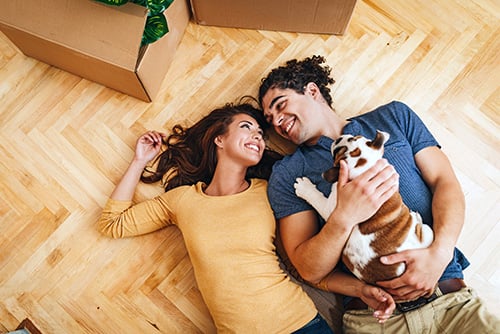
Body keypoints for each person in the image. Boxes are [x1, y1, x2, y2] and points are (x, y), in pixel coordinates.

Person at [257, 55, 500, 333]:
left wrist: (440, 254)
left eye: (280, 105)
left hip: (452, 303)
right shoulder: (287, 174)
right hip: (375, 321)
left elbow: (445, 183)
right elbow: (308, 268)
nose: (276, 121)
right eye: (269, 119)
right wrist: (344, 217)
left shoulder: (394, 116)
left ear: (312, 91)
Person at [97, 101, 337, 333]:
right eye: (246, 127)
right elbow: (112, 223)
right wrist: (139, 161)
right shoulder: (182, 201)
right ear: (219, 139)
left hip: (301, 324)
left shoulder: (268, 191)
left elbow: (299, 265)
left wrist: (359, 289)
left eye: (260, 134)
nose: (257, 136)